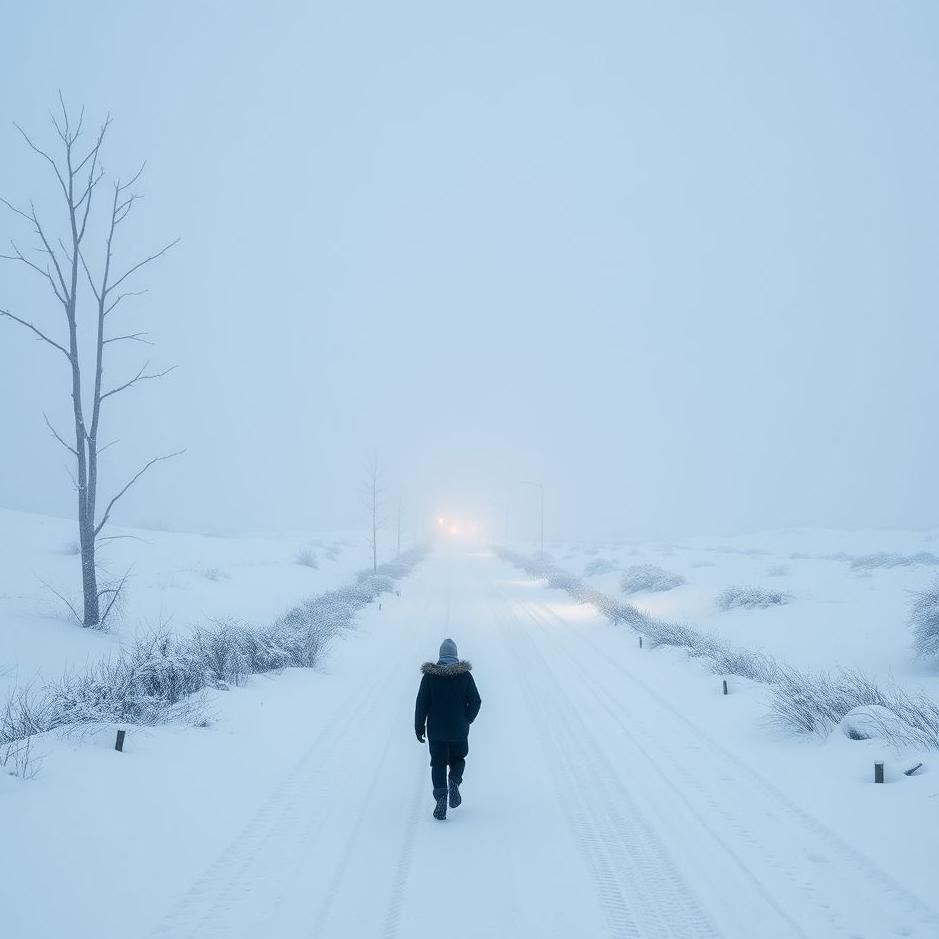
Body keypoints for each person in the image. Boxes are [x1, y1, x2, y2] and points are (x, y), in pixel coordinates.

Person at [414, 638, 482, 820]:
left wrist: (419, 727)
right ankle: (454, 781)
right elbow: (476, 701)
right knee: (458, 758)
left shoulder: (429, 677)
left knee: (438, 763)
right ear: (455, 655)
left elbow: (421, 704)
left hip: (436, 731)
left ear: (441, 656)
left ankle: (441, 797)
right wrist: (467, 719)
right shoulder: (465, 676)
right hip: (459, 730)